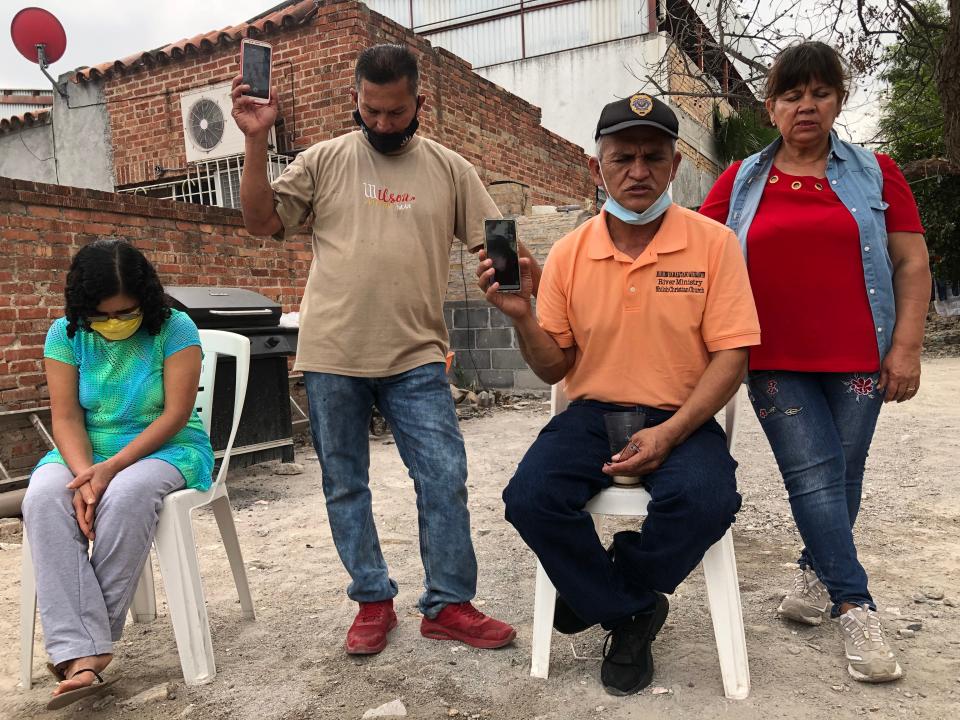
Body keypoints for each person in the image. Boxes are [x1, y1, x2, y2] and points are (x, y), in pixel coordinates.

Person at [232, 44, 519, 655]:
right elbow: (260, 222)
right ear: (355, 101)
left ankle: (448, 603)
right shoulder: (323, 160)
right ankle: (371, 599)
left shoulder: (450, 168)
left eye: (396, 112)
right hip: (332, 352)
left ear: (420, 103)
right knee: (344, 483)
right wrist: (256, 141)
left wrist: (514, 273)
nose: (384, 124)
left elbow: (496, 240)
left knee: (443, 476)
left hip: (416, 353)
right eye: (372, 111)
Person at [479, 94, 761, 695]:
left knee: (708, 500)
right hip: (591, 415)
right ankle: (632, 612)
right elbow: (555, 367)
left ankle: (604, 592)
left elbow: (733, 355)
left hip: (680, 417)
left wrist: (671, 431)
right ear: (595, 165)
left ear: (675, 162)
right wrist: (521, 317)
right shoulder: (569, 254)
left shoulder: (715, 245)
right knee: (531, 498)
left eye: (654, 158)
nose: (639, 172)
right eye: (623, 157)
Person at [699, 41, 930, 683]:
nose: (807, 105)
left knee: (844, 475)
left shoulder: (877, 172)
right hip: (773, 358)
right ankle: (854, 604)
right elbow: (692, 248)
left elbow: (911, 262)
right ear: (770, 107)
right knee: (817, 477)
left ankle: (812, 571)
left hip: (860, 356)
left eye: (820, 93)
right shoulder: (741, 179)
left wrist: (905, 346)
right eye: (792, 95)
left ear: (838, 101)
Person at [22, 239, 214, 710]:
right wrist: (87, 474)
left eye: (124, 312)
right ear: (82, 308)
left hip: (168, 445)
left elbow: (175, 414)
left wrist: (110, 471)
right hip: (87, 449)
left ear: (144, 299)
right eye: (100, 316)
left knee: (126, 493)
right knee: (43, 497)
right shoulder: (65, 334)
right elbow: (65, 418)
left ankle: (82, 654)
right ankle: (86, 651)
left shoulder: (175, 329)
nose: (112, 324)